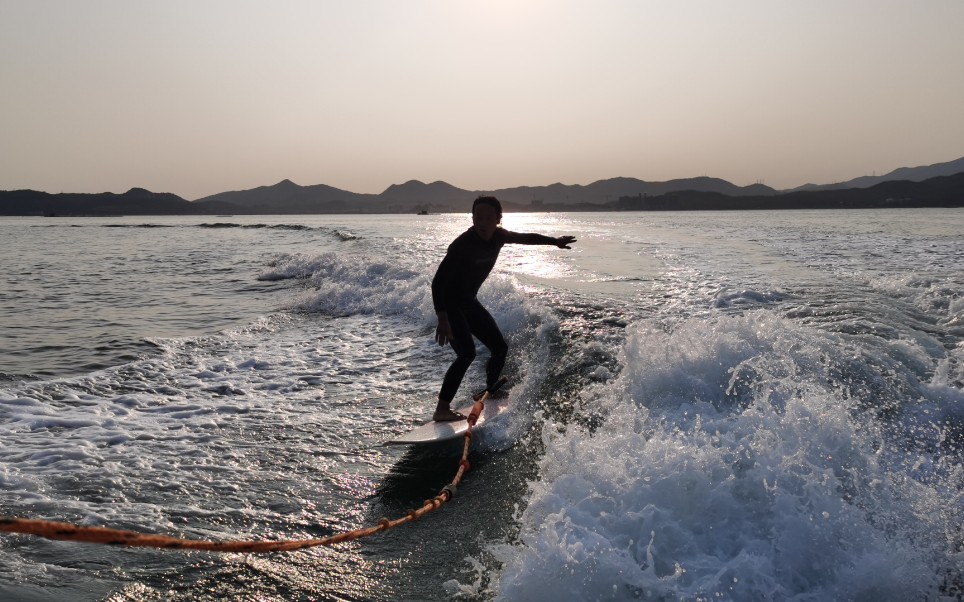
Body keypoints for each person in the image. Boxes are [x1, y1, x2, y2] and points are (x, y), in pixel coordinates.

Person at [430, 196, 577, 421]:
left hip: (469, 302)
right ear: (472, 218)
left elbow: (526, 238)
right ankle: (442, 409)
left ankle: (487, 391)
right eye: (478, 217)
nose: (483, 222)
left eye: (489, 218)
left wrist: (554, 241)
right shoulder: (461, 245)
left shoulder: (499, 236)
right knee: (466, 354)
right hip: (450, 306)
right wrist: (442, 318)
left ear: (499, 219)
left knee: (499, 347)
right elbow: (438, 282)